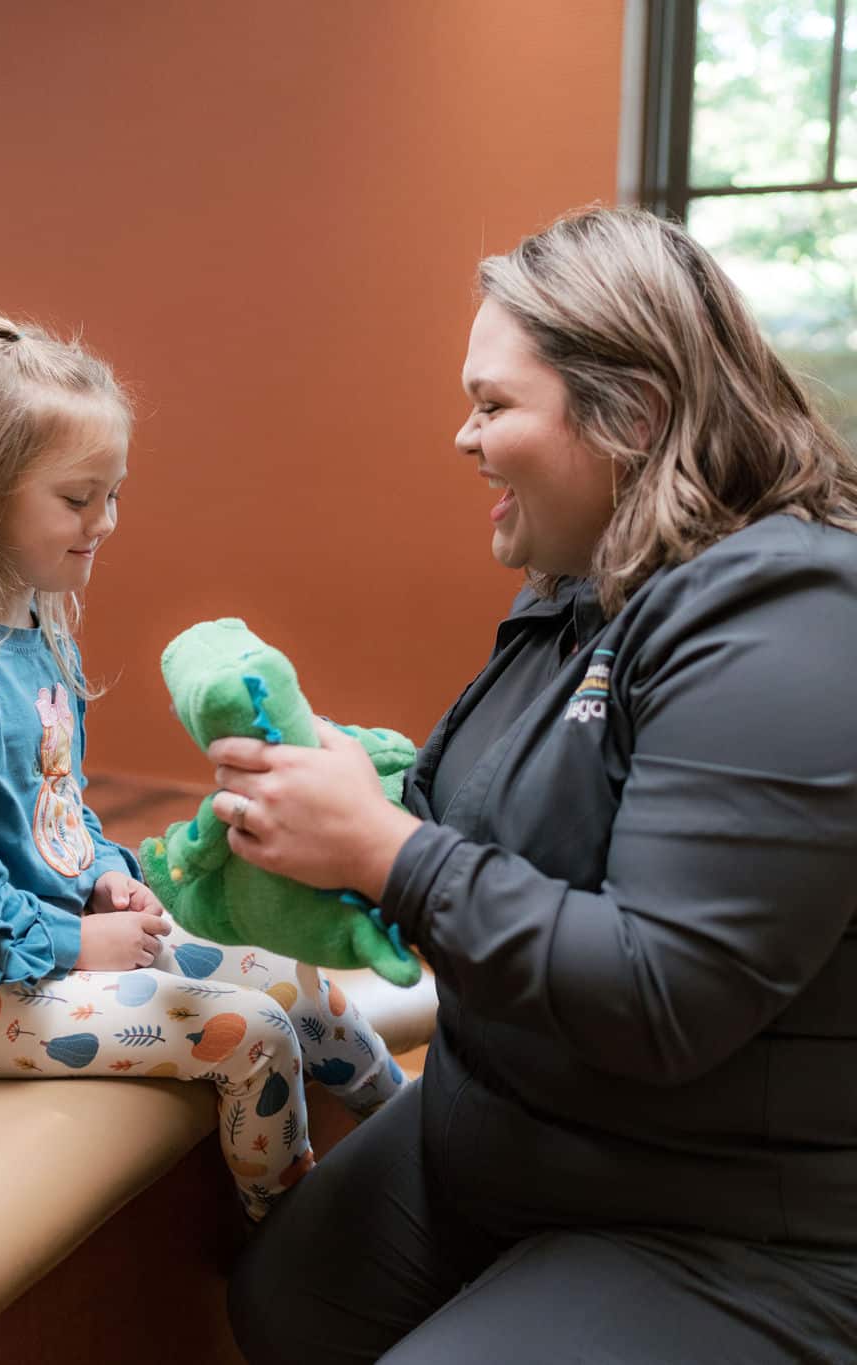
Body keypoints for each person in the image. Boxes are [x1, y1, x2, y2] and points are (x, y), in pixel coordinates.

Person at [217, 206, 857, 1360]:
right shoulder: (580, 590)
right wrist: (355, 792)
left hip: (717, 1218)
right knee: (283, 1300)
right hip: (508, 1131)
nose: (463, 438)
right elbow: (504, 824)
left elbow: (666, 995)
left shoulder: (790, 619)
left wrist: (385, 851)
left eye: (493, 405)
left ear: (634, 415)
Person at [0, 314, 405, 1225]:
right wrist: (70, 944)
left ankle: (418, 1151)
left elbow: (54, 812)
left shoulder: (34, 631)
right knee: (250, 1031)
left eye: (113, 493)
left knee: (296, 981)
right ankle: (297, 1237)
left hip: (43, 934)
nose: (105, 522)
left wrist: (101, 877)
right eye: (77, 498)